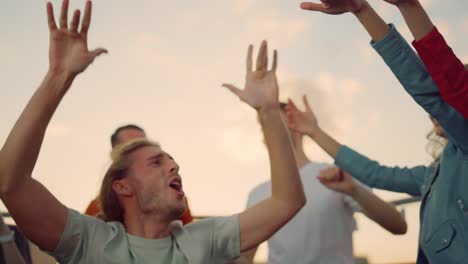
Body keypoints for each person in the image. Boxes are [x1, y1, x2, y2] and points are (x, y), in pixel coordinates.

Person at [0, 0, 305, 262]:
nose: (174, 166)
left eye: (171, 160)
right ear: (122, 187)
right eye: (156, 162)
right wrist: (58, 77)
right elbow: (9, 182)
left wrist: (268, 114)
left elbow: (286, 202)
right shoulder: (89, 241)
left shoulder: (202, 239)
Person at [300, 1, 468, 263]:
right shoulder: (432, 176)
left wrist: (401, 8)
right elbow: (374, 173)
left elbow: (431, 90)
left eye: (449, 101)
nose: (438, 108)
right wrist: (314, 132)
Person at [237, 99, 406, 264]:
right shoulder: (257, 194)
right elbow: (245, 257)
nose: (267, 130)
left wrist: (354, 190)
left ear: (295, 127)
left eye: (274, 122)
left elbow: (398, 225)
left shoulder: (336, 175)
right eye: (263, 125)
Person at [84, 124, 194, 225]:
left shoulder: (176, 202)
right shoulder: (95, 209)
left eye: (144, 143)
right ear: (114, 155)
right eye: (131, 146)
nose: (142, 149)